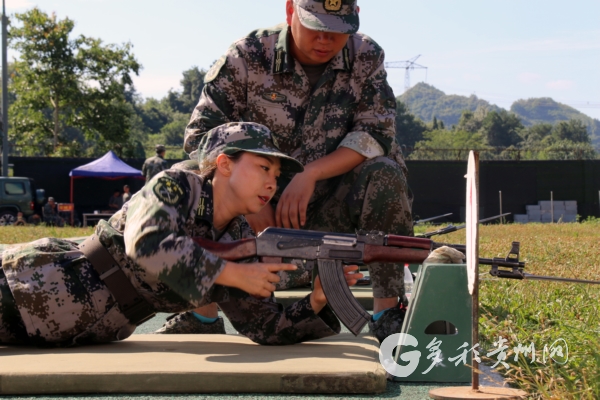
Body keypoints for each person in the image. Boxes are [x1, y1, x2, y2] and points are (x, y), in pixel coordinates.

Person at [0, 122, 361, 347]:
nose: (272, 181)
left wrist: (316, 300)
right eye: (263, 167)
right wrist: (230, 273)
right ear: (223, 164)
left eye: (277, 174)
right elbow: (146, 242)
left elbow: (265, 327)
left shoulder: (237, 238)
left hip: (85, 329)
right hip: (34, 285)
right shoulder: (177, 186)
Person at [178, 0, 412, 343]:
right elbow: (200, 139)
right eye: (316, 26)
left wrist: (310, 174)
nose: (326, 40)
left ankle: (386, 312)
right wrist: (254, 203)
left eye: (338, 30)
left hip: (332, 205)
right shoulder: (246, 57)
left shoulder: (366, 56)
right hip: (253, 217)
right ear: (290, 12)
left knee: (386, 172)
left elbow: (375, 133)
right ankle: (202, 315)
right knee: (190, 176)